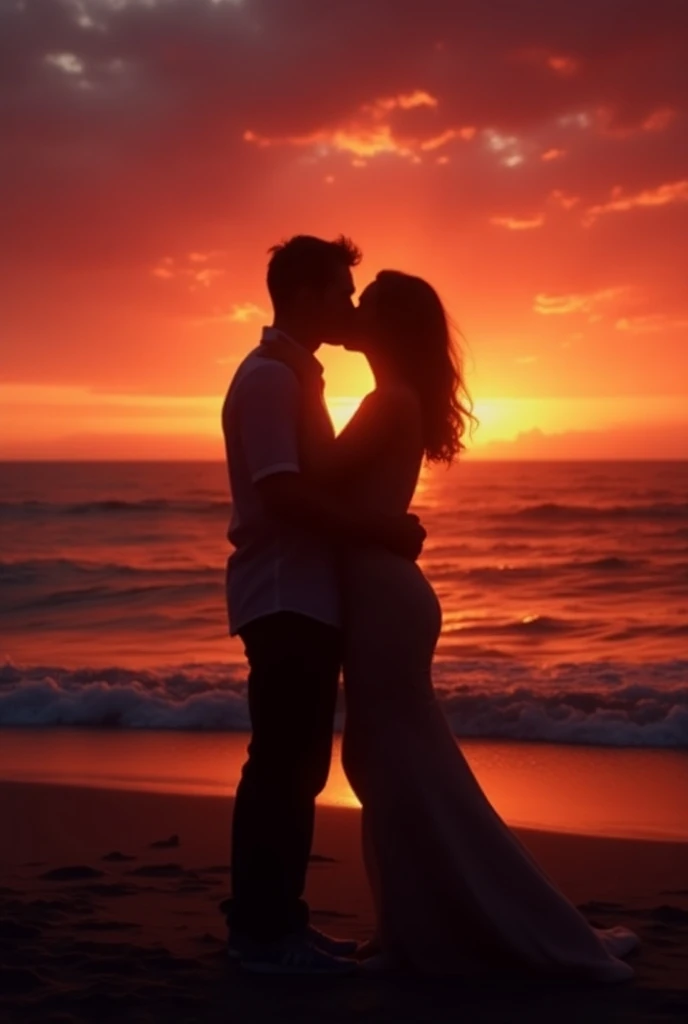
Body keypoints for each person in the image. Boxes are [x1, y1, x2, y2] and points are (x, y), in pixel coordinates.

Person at [305, 269, 640, 980]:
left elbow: (307, 478)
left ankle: (422, 937)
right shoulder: (394, 400)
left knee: (393, 766)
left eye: (367, 305)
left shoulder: (387, 402)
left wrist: (293, 386)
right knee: (389, 764)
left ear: (389, 326)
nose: (354, 310)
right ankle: (411, 929)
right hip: (385, 596)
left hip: (385, 600)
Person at [220, 238, 425, 975]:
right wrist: (382, 530)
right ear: (304, 294)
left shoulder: (294, 376)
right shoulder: (274, 377)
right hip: (283, 592)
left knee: (296, 765)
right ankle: (261, 935)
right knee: (281, 765)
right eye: (340, 291)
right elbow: (282, 493)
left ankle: (281, 925)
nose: (349, 303)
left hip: (304, 593)